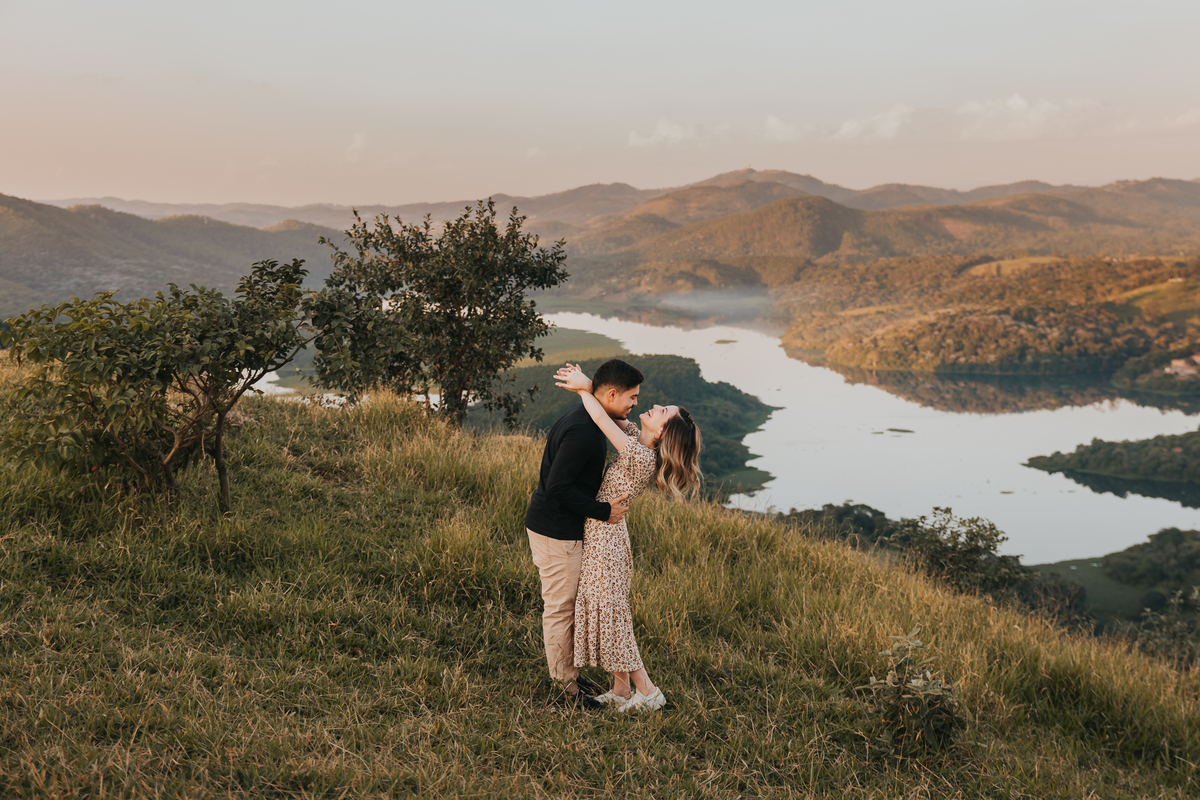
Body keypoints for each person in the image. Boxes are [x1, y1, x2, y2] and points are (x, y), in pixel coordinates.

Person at [554, 362, 702, 713]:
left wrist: (582, 387)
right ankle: (621, 690)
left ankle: (648, 692)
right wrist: (596, 387)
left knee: (613, 615)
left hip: (607, 541)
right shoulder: (638, 438)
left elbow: (603, 419)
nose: (652, 406)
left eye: (662, 411)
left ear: (664, 431)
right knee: (609, 612)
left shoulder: (640, 456)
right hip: (605, 534)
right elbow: (611, 410)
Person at [523, 358, 641, 709]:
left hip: (560, 528)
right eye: (631, 397)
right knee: (560, 608)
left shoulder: (593, 417)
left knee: (568, 607)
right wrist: (605, 511)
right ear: (611, 393)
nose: (635, 404)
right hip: (557, 532)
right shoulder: (583, 431)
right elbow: (559, 486)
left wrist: (587, 387)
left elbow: (605, 407)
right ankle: (567, 690)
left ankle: (569, 674)